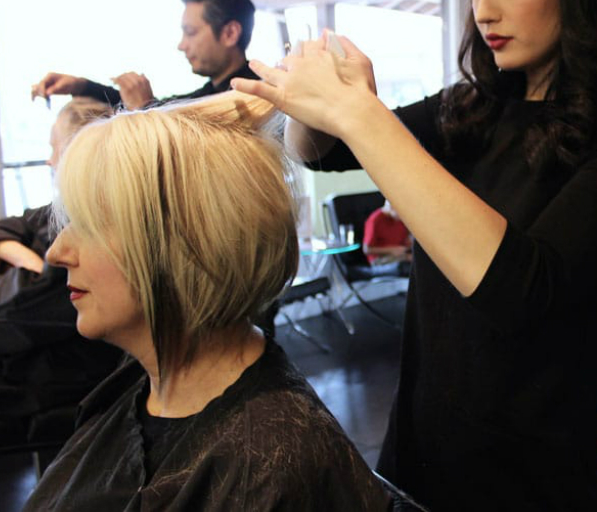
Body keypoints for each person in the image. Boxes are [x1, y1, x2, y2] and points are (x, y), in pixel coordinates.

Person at [233, 0, 597, 509]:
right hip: (417, 462)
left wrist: (361, 115)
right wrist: (322, 101)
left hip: (537, 482)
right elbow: (322, 152)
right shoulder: (471, 108)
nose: (484, 10)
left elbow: (522, 287)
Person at [23, 91, 390, 511]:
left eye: (89, 224)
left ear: (186, 244)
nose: (57, 253)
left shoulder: (268, 463)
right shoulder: (142, 388)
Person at [0, 98, 121, 439]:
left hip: (64, 371)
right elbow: (6, 227)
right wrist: (26, 260)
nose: (49, 160)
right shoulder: (55, 213)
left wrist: (10, 270)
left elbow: (17, 310)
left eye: (55, 148)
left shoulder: (92, 227)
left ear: (80, 153)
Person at [29, 0, 258, 110]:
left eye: (191, 32)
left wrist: (145, 111)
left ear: (230, 33)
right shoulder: (209, 94)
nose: (181, 45)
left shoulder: (258, 99)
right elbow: (164, 108)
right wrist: (80, 86)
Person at [363, 200, 412, 268]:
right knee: (407, 265)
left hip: (401, 255)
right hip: (380, 259)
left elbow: (406, 241)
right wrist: (391, 250)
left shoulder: (400, 219)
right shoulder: (374, 220)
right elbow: (366, 249)